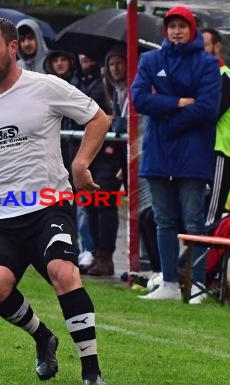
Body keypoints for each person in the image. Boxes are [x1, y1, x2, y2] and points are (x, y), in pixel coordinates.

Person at [0, 17, 110, 385]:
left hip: (48, 206)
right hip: (0, 214)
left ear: (13, 48)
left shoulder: (45, 87)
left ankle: (92, 372)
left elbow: (99, 118)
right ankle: (44, 338)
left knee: (63, 272)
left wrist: (80, 163)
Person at [131, 5, 221, 301]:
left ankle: (197, 285)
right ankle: (169, 282)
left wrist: (167, 119)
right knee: (164, 221)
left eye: (182, 25)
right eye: (171, 26)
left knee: (194, 222)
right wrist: (178, 102)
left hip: (192, 155)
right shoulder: (151, 59)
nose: (176, 31)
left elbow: (208, 107)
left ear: (192, 28)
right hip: (158, 154)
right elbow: (139, 97)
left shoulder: (207, 64)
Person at [84, 45, 127, 277]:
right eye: (111, 64)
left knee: (105, 205)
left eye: (119, 63)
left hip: (115, 156)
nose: (115, 68)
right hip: (97, 153)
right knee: (90, 205)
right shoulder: (111, 89)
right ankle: (97, 253)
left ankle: (106, 256)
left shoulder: (127, 90)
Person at [201, 27, 230, 228]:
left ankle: (200, 260)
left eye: (205, 45)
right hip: (199, 151)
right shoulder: (200, 77)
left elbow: (209, 113)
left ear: (217, 47)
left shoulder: (227, 77)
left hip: (219, 151)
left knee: (211, 216)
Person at [75, 53, 110, 272]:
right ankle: (90, 251)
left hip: (104, 157)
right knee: (85, 207)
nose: (85, 57)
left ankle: (101, 254)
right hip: (79, 153)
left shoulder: (102, 83)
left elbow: (103, 118)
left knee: (103, 204)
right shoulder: (78, 82)